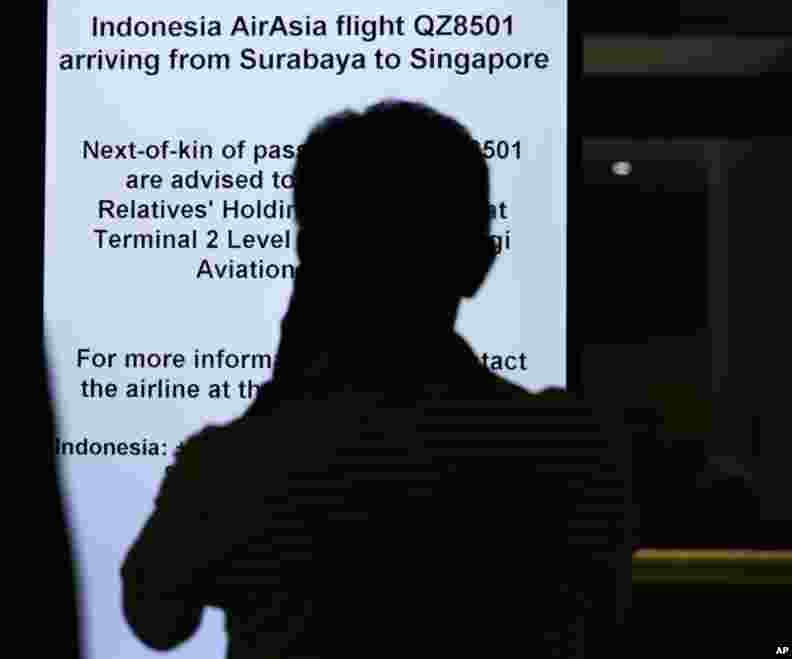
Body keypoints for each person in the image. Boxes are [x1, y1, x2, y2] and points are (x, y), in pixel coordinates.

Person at [121, 100, 632, 658]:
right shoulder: (569, 449)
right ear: (478, 263)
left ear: (310, 262)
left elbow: (156, 618)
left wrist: (277, 397)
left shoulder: (237, 464)